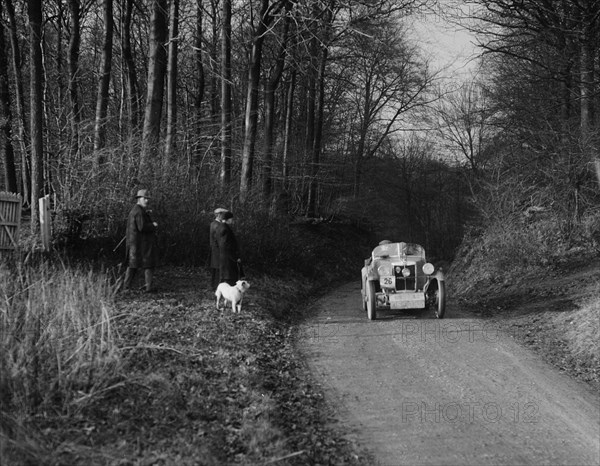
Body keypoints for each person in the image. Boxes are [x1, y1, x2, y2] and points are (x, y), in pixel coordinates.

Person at [122, 189, 158, 292]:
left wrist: (146, 214)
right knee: (148, 265)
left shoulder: (137, 210)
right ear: (139, 199)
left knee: (132, 265)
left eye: (147, 199)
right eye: (145, 198)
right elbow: (142, 227)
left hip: (135, 244)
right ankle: (148, 288)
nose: (147, 201)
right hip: (140, 245)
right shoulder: (138, 211)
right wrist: (153, 225)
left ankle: (126, 287)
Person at [216, 210, 244, 286]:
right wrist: (235, 257)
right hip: (228, 259)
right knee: (230, 281)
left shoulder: (220, 227)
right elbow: (226, 246)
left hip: (224, 258)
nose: (232, 220)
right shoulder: (225, 229)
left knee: (225, 280)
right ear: (228, 219)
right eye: (231, 219)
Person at [209, 207, 228, 290]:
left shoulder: (214, 224)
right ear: (219, 215)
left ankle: (214, 285)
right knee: (218, 269)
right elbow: (220, 238)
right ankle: (217, 287)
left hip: (216, 250)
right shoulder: (217, 225)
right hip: (218, 250)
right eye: (223, 215)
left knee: (216, 268)